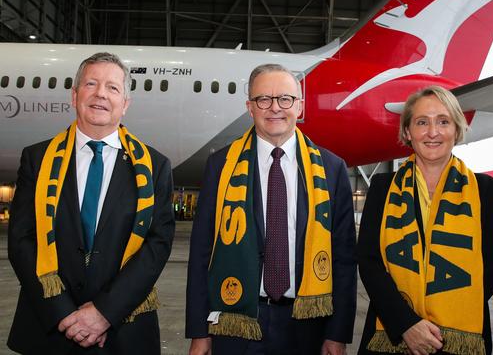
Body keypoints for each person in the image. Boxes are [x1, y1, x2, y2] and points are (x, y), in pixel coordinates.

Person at [7, 52, 175, 354]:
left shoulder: (155, 166)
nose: (100, 93)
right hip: (49, 328)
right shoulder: (37, 159)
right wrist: (64, 314)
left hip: (124, 331)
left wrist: (103, 314)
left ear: (125, 104)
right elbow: (22, 240)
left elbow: (157, 246)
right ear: (74, 96)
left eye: (113, 88)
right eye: (91, 84)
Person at [185, 63, 356, 355]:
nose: (275, 107)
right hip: (235, 321)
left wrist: (337, 334)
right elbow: (202, 253)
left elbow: (343, 259)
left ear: (299, 107)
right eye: (263, 99)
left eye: (285, 99)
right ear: (250, 107)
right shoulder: (221, 167)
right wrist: (199, 331)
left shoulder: (331, 168)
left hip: (308, 324)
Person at [357, 85, 493, 355]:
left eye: (444, 122)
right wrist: (407, 323)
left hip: (458, 337)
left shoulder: (485, 189)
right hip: (393, 333)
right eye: (422, 122)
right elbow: (369, 263)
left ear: (457, 130)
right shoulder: (383, 186)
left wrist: (446, 312)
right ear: (407, 131)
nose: (433, 132)